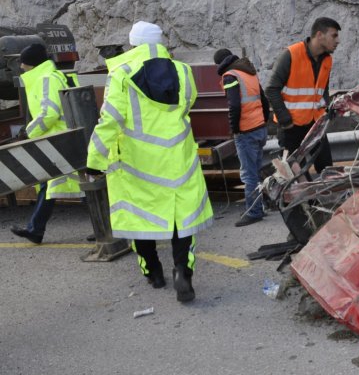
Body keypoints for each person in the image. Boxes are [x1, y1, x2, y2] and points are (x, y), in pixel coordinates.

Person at [86, 21, 213, 303]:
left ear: (133, 44)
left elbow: (111, 119)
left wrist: (95, 159)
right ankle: (183, 271)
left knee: (139, 219)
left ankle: (153, 272)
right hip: (178, 157)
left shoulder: (121, 73)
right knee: (183, 221)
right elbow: (188, 103)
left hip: (137, 163)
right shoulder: (183, 70)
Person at [11, 44, 84, 244]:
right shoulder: (47, 76)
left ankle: (108, 227)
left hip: (60, 140)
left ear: (31, 64)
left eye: (23, 62)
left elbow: (49, 112)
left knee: (83, 184)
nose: (21, 66)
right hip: (59, 139)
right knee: (58, 184)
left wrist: (29, 132)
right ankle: (35, 230)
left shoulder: (46, 79)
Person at [265, 17, 340, 173]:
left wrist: (326, 108)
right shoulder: (290, 54)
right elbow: (272, 89)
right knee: (294, 175)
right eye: (334, 35)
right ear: (319, 35)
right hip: (291, 127)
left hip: (314, 124)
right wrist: (285, 120)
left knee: (327, 168)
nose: (337, 40)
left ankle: (323, 197)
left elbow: (321, 90)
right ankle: (304, 197)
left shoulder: (327, 60)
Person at [212, 48, 271, 227]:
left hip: (246, 131)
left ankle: (254, 212)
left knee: (248, 174)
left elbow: (235, 106)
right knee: (257, 169)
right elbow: (264, 100)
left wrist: (235, 129)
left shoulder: (230, 76)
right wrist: (263, 122)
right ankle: (262, 205)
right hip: (260, 128)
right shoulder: (249, 72)